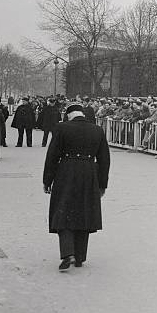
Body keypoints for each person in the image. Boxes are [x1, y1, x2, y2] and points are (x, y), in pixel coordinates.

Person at [43, 103, 111, 272]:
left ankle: (67, 254)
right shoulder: (97, 130)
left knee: (63, 211)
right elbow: (104, 160)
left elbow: (52, 155)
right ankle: (80, 256)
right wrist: (102, 184)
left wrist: (47, 180)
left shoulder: (61, 128)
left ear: (68, 115)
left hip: (66, 171)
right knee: (84, 211)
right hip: (89, 172)